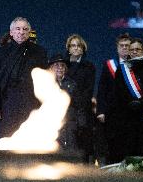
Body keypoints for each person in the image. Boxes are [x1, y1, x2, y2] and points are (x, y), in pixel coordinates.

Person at [0, 17, 47, 138]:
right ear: (11, 32)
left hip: (32, 103)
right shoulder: (1, 52)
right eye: (18, 29)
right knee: (8, 140)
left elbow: (44, 81)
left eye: (25, 29)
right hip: (8, 103)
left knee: (31, 141)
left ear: (29, 32)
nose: (21, 32)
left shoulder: (40, 52)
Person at [0, 30, 39, 146]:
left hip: (26, 111)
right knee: (1, 148)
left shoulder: (36, 60)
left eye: (33, 41)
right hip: (2, 111)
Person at [113, 38, 143, 160]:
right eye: (132, 49)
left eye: (137, 49)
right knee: (128, 147)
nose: (134, 52)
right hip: (127, 115)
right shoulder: (122, 69)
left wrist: (141, 102)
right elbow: (118, 91)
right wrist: (129, 103)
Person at [96, 33, 132, 164]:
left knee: (130, 145)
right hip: (112, 114)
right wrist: (100, 111)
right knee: (112, 146)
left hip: (131, 113)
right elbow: (101, 89)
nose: (124, 48)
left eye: (127, 46)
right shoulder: (109, 65)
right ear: (117, 48)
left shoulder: (137, 65)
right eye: (121, 46)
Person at [65, 34, 96, 163]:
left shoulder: (89, 66)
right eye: (73, 45)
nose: (76, 48)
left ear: (83, 48)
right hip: (65, 109)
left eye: (79, 46)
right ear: (68, 48)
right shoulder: (62, 65)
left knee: (83, 143)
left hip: (82, 110)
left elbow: (89, 89)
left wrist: (77, 102)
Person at [48, 53, 85, 152]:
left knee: (71, 152)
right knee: (54, 152)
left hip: (70, 125)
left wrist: (80, 123)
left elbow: (79, 105)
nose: (60, 68)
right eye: (56, 65)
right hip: (51, 125)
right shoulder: (45, 83)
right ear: (51, 68)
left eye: (62, 66)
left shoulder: (72, 84)